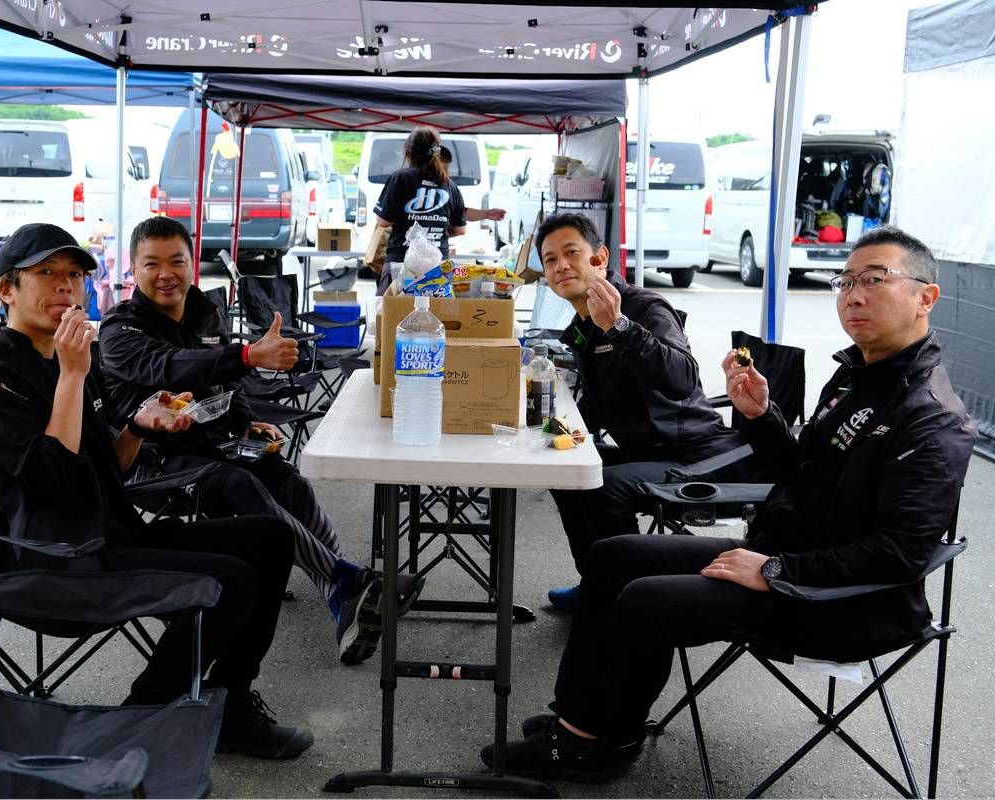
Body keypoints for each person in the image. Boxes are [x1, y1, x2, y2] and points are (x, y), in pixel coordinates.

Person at [482, 225, 976, 782]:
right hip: (785, 556)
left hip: (837, 600)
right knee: (614, 556)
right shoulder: (856, 377)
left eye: (875, 280)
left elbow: (900, 554)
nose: (854, 295)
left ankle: (601, 743)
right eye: (846, 281)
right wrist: (762, 418)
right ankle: (580, 720)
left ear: (925, 298)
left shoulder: (931, 417)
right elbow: (797, 472)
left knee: (645, 599)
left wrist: (775, 570)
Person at [0, 222, 314, 760]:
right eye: (45, 273)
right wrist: (73, 378)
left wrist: (138, 428)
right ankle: (138, 718)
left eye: (74, 275)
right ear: (6, 290)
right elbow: (51, 486)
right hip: (51, 558)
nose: (65, 286)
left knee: (271, 538)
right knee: (230, 580)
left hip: (107, 534)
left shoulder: (69, 358)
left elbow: (106, 472)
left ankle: (230, 705)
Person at [99, 216, 425, 665]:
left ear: (191, 263)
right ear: (133, 269)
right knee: (240, 485)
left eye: (176, 261)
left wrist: (249, 421)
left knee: (286, 478)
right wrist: (249, 355)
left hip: (211, 444)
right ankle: (345, 580)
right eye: (151, 264)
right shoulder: (119, 329)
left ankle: (341, 592)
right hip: (151, 462)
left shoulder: (202, 310)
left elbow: (223, 384)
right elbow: (173, 365)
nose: (165, 274)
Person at [535, 212, 750, 611]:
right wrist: (551, 434)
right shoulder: (583, 324)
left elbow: (683, 378)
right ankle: (597, 582)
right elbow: (596, 402)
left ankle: (625, 598)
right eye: (550, 259)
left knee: (605, 487)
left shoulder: (643, 307)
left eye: (571, 253)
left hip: (701, 453)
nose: (561, 265)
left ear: (599, 258)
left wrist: (619, 326)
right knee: (566, 471)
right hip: (648, 453)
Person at [371, 127, 504, 293]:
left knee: (392, 308)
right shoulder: (449, 184)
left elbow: (383, 220)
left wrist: (416, 230)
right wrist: (433, 230)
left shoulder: (401, 178)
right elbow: (460, 229)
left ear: (409, 153)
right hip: (437, 266)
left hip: (401, 260)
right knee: (432, 309)